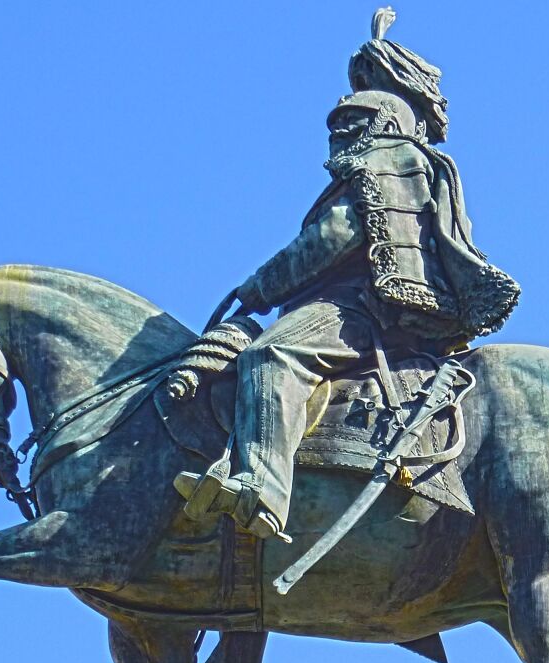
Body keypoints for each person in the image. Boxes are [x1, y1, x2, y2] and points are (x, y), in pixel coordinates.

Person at [175, 15, 517, 540]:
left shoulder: (383, 163)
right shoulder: (406, 164)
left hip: (359, 308)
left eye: (349, 127)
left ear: (378, 125)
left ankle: (261, 489)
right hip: (365, 305)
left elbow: (333, 238)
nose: (337, 138)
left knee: (272, 355)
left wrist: (259, 287)